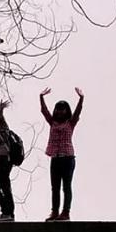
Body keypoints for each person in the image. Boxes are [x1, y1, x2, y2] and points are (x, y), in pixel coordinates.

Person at [40, 87, 84, 221]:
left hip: (68, 158)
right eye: (58, 108)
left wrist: (81, 98)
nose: (60, 111)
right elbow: (44, 112)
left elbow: (77, 113)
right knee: (55, 188)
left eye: (62, 109)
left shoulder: (70, 123)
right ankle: (54, 212)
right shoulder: (52, 122)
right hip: (55, 158)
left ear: (66, 111)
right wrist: (41, 97)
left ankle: (66, 213)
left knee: (66, 186)